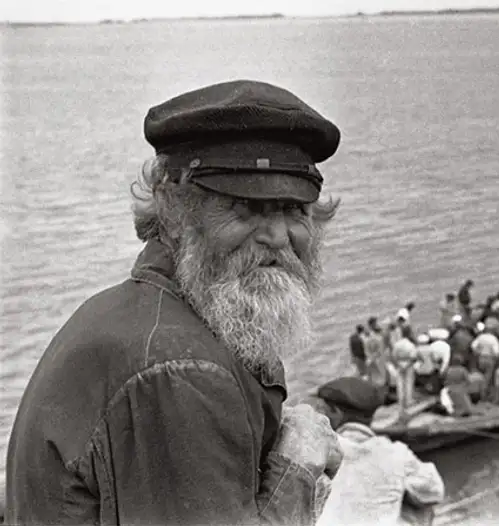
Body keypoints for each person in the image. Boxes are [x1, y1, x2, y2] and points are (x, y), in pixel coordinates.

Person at [5, 80, 345, 525]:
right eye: (245, 208)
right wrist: (299, 464)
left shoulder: (149, 315)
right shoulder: (177, 366)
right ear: (172, 210)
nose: (278, 237)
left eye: (294, 210)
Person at [312, 377, 445, 526]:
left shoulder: (314, 452)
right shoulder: (395, 453)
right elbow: (435, 491)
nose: (317, 415)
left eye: (320, 409)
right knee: (418, 502)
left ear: (336, 412)